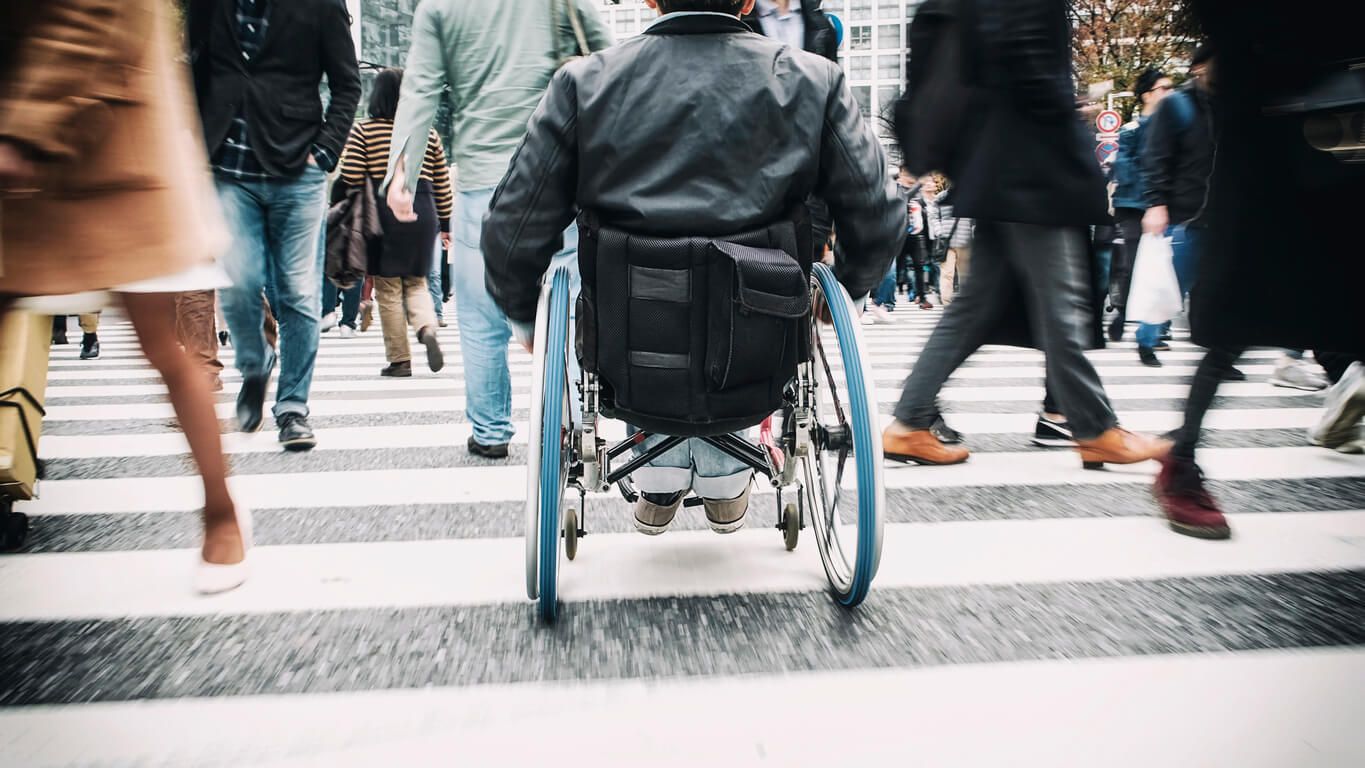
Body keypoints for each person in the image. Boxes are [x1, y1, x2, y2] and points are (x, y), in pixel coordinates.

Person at [481, 0, 904, 534]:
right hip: (761, 343)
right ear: (747, 2)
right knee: (746, 306)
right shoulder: (813, 80)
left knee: (649, 302)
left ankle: (660, 471)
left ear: (651, 1)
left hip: (631, 349)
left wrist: (524, 316)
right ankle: (727, 474)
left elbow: (512, 227)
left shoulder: (583, 85)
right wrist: (851, 289)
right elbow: (879, 212)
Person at [0, 0, 248, 593]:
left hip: (110, 152)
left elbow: (90, 19)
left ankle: (222, 513)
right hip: (26, 147)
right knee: (167, 348)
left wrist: (22, 130)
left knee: (163, 348)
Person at [884, 0, 1169, 471]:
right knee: (1062, 306)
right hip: (1033, 165)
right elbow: (1028, 60)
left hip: (999, 166)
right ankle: (1096, 428)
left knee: (975, 308)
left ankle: (910, 420)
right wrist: (1070, 135)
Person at [1156, 0, 1365, 535]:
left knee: (1341, 299)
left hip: (1341, 129)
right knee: (1238, 319)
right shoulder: (1197, 93)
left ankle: (1346, 393)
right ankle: (1181, 460)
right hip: (1270, 141)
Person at [383, 0, 612, 459]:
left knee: (480, 316)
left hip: (482, 184)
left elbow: (420, 90)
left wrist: (400, 176)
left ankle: (490, 430)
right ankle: (575, 421)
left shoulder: (438, 9)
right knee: (567, 305)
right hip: (558, 173)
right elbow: (608, 61)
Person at [187, 0, 361, 451]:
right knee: (238, 278)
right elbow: (194, 68)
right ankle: (255, 363)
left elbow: (347, 83)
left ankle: (293, 408)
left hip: (297, 167)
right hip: (227, 166)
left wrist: (324, 153)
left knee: (298, 292)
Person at [336, 68, 451, 379]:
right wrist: (447, 223)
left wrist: (338, 206)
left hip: (382, 210)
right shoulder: (427, 132)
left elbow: (351, 176)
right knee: (417, 282)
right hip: (422, 208)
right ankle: (426, 327)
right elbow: (442, 182)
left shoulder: (365, 131)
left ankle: (400, 359)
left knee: (387, 289)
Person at [1108, 67, 1172, 343]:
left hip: (1165, 206)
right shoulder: (1131, 130)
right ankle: (1123, 313)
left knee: (1165, 265)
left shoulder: (1172, 130)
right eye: (1163, 89)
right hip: (1134, 206)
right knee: (1134, 264)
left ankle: (1157, 324)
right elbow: (1124, 167)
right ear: (1147, 95)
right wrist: (1151, 197)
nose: (1169, 94)